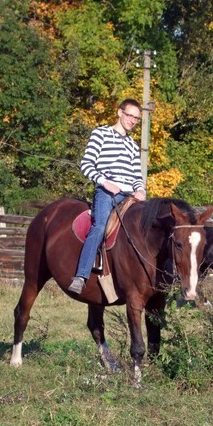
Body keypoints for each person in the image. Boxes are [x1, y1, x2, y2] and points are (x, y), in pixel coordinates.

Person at [68, 99, 147, 294]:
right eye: (130, 115)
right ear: (120, 113)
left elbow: (137, 176)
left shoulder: (133, 146)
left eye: (137, 118)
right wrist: (104, 182)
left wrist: (141, 190)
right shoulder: (100, 133)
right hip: (106, 191)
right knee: (101, 226)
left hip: (130, 195)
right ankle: (81, 276)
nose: (133, 120)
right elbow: (86, 164)